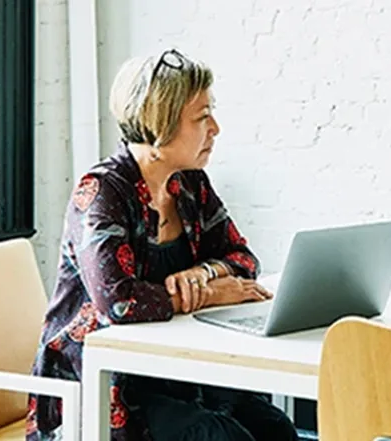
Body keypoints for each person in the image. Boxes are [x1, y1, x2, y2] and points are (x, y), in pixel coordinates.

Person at [26, 48, 299, 441]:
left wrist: (202, 273)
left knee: (276, 429)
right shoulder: (102, 192)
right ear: (159, 123)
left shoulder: (189, 183)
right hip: (104, 386)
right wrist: (207, 295)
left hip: (174, 372)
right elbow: (119, 302)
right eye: (202, 117)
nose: (216, 128)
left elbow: (243, 259)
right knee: (220, 437)